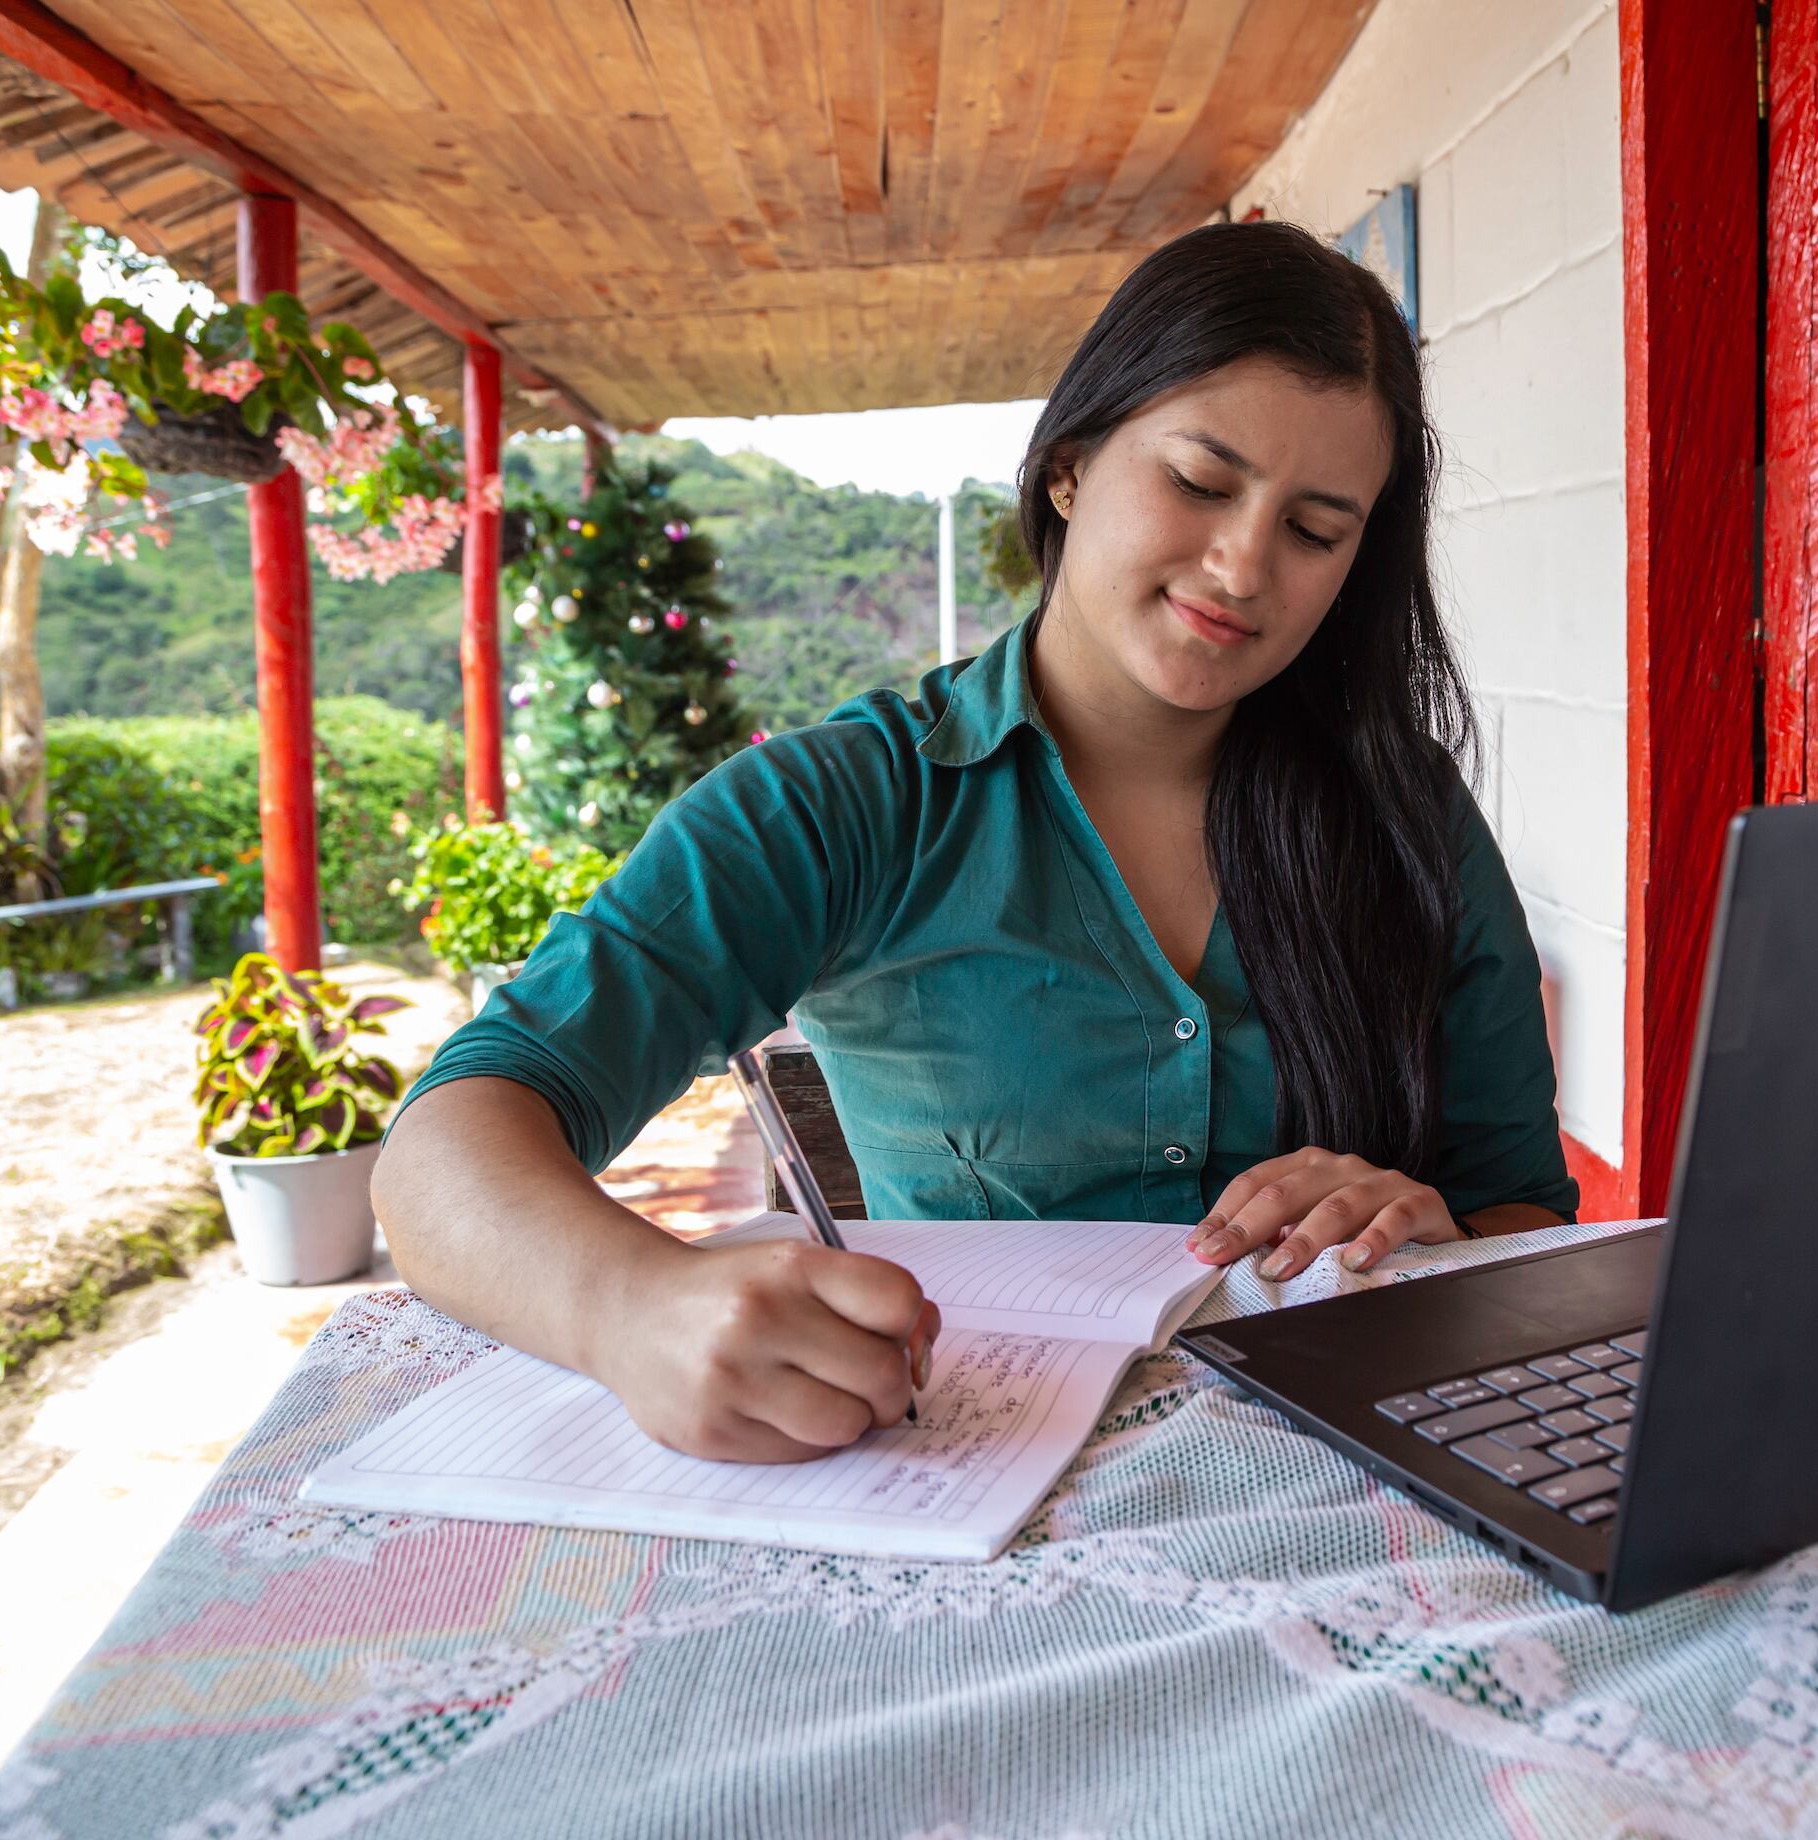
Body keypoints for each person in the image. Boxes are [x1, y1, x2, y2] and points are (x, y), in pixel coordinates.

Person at [373, 221, 1581, 1467]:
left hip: (1350, 1493)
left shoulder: (1404, 812)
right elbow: (448, 1144)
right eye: (1201, 483)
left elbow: (1526, 1209)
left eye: (1316, 529)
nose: (1241, 564)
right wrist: (631, 1304)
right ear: (1068, 465)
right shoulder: (849, 801)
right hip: (956, 1484)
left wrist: (1437, 1229)